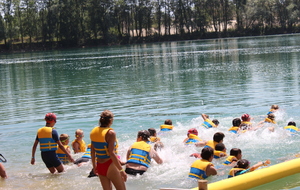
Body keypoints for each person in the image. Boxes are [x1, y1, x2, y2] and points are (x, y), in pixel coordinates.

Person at [90, 110, 126, 190]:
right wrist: (122, 171)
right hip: (110, 165)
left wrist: (94, 166)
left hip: (99, 165)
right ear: (110, 120)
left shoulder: (93, 131)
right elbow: (111, 153)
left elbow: (92, 152)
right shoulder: (111, 133)